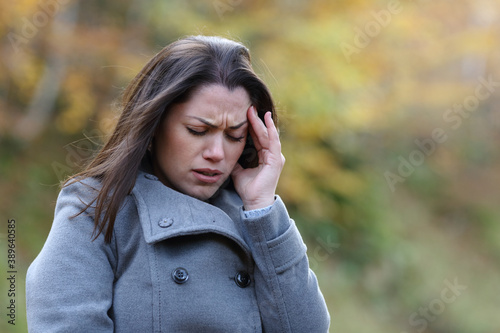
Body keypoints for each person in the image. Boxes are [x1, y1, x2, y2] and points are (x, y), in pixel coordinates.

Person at [26, 35, 330, 332]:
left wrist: (263, 209)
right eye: (197, 130)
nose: (217, 153)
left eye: (234, 135)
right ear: (154, 124)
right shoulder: (97, 207)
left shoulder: (256, 218)